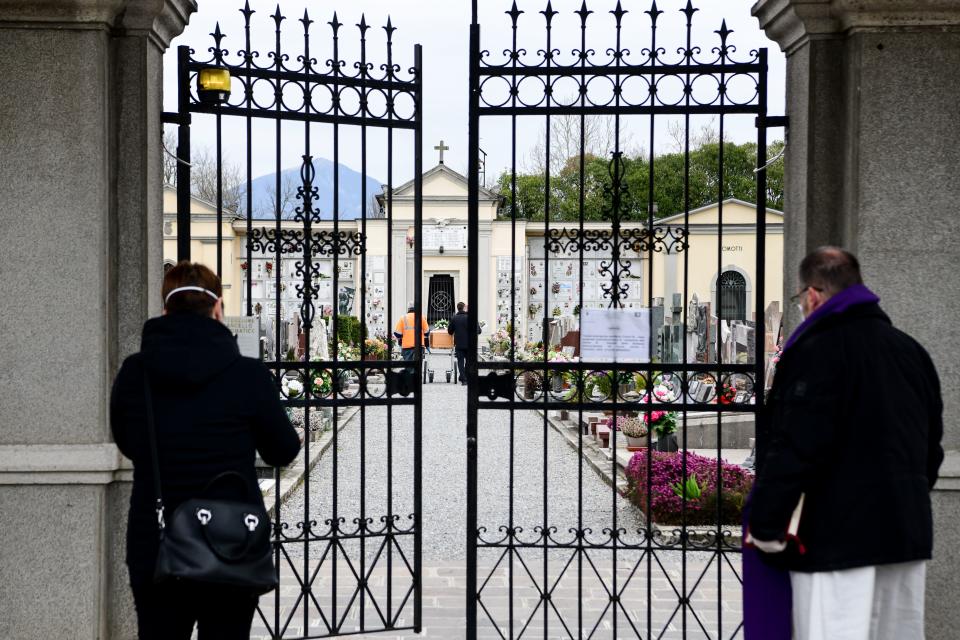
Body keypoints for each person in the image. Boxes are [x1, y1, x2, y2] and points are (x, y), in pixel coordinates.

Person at [747, 247, 944, 640]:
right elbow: (931, 448)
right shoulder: (910, 351)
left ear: (813, 295)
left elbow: (796, 444)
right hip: (904, 533)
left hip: (834, 537)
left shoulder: (815, 351)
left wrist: (766, 525)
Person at [110, 262, 301, 639]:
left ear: (165, 310)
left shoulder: (136, 372)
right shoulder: (247, 374)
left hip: (158, 536)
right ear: (217, 309)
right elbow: (283, 449)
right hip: (231, 538)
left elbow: (128, 443)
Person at [448, 301, 480, 385]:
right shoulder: (471, 317)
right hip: (470, 344)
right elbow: (478, 331)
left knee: (460, 362)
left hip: (459, 344)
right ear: (464, 308)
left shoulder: (454, 318)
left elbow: (450, 331)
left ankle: (463, 379)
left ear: (458, 308)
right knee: (468, 361)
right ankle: (465, 376)